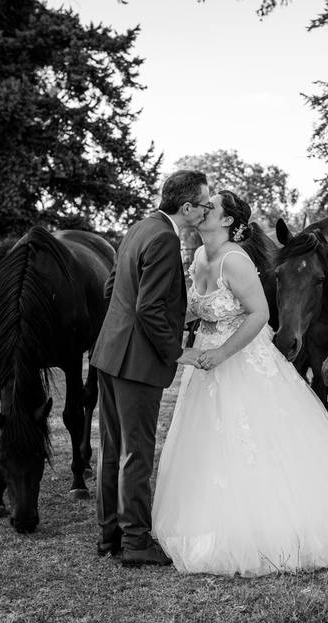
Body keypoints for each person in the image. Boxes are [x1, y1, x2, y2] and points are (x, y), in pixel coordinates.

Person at [152, 190, 328, 577]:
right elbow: (198, 310)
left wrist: (220, 354)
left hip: (239, 359)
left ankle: (269, 520)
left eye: (210, 207)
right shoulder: (200, 256)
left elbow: (260, 315)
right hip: (205, 364)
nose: (202, 211)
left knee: (257, 439)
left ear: (229, 221)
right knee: (208, 440)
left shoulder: (236, 260)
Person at [90, 170, 211, 567]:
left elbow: (113, 290)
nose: (207, 209)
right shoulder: (163, 238)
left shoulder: (139, 227)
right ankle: (136, 543)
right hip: (137, 363)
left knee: (113, 449)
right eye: (204, 203)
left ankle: (110, 536)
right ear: (187, 206)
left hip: (109, 355)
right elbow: (149, 308)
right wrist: (176, 351)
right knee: (136, 453)